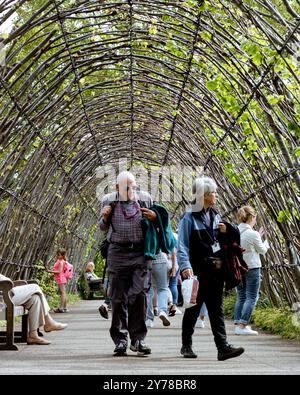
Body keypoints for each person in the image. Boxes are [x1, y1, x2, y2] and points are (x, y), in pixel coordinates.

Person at [177, 176, 245, 361]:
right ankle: (186, 345)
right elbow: (182, 244)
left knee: (217, 309)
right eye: (213, 192)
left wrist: (225, 231)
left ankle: (222, 347)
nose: (216, 195)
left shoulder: (215, 215)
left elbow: (220, 243)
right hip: (197, 271)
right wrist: (185, 267)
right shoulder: (189, 217)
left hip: (215, 270)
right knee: (193, 309)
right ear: (204, 195)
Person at [100, 171, 157, 356]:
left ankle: (138, 339)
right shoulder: (108, 200)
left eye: (132, 185)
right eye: (126, 186)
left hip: (141, 252)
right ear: (117, 188)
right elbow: (102, 227)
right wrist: (106, 216)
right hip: (117, 251)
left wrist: (155, 218)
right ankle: (120, 341)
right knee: (118, 297)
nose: (130, 189)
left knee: (139, 294)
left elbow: (159, 224)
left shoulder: (145, 199)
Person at [0, 274, 67, 345]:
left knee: (35, 299)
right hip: (3, 296)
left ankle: (33, 335)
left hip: (7, 291)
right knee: (35, 287)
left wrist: (12, 283)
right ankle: (48, 322)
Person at [234, 206, 270, 335]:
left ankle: (238, 324)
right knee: (252, 297)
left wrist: (257, 237)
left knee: (241, 295)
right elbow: (262, 250)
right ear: (252, 217)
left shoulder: (234, 231)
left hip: (237, 268)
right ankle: (243, 325)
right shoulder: (252, 234)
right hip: (252, 267)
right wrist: (265, 242)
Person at [146, 251, 171, 328]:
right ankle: (162, 311)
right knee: (163, 288)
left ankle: (149, 319)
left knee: (148, 290)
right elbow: (170, 244)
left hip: (146, 260)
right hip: (160, 260)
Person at [46, 248, 69, 313]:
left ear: (62, 255)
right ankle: (64, 307)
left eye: (59, 255)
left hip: (60, 278)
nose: (57, 256)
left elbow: (59, 271)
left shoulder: (61, 262)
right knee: (63, 292)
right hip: (61, 278)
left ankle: (61, 308)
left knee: (62, 293)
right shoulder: (60, 261)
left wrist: (49, 271)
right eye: (57, 254)